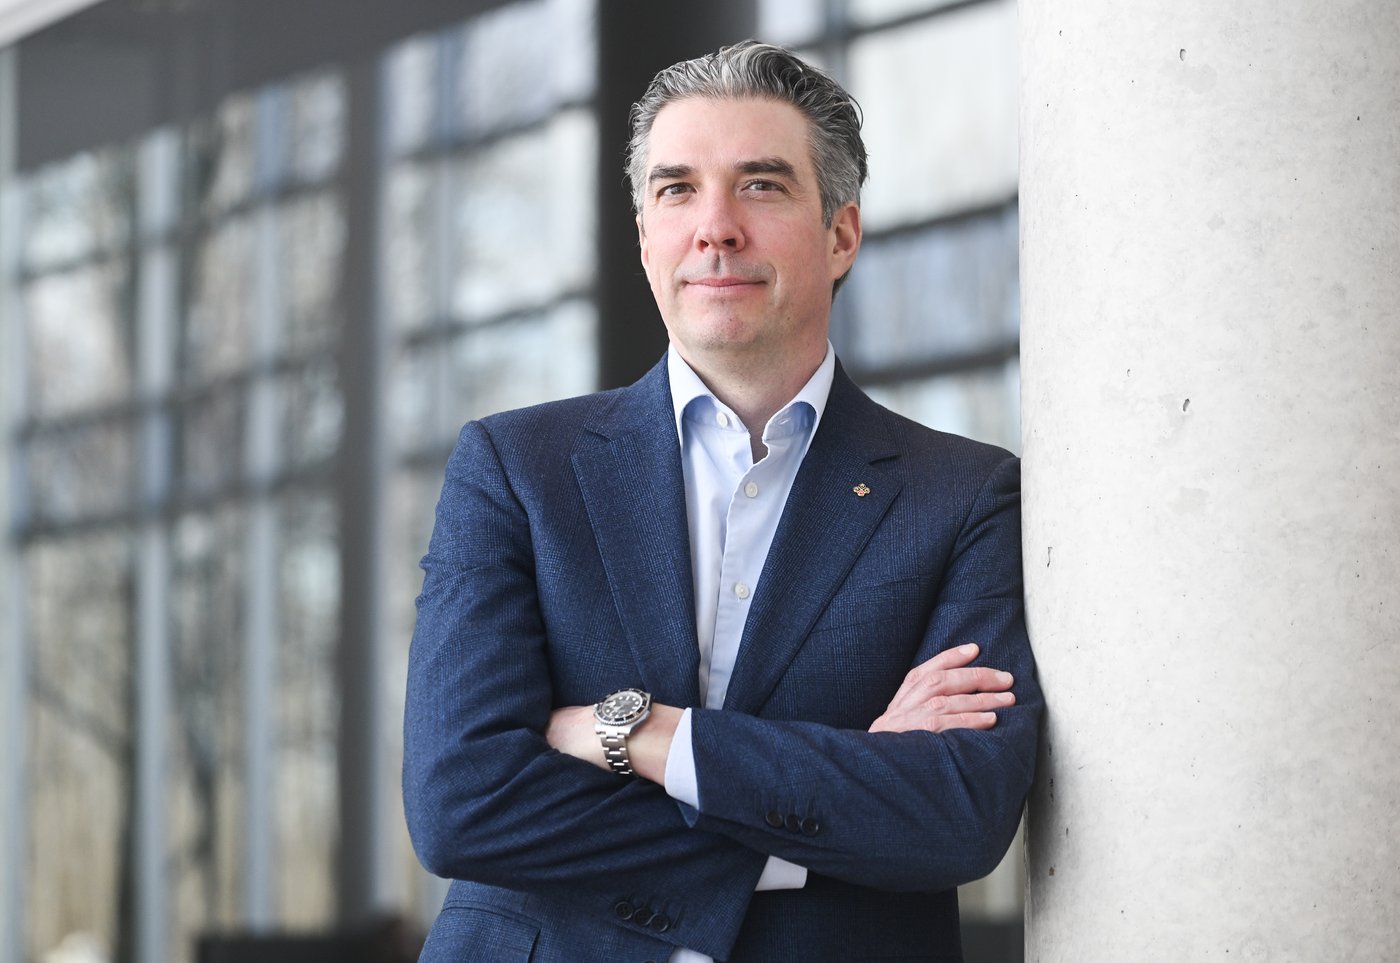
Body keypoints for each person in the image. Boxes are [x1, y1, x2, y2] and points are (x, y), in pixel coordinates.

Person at [403, 40, 1042, 963]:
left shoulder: (965, 495)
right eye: (676, 189)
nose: (715, 227)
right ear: (642, 237)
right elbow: (461, 802)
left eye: (761, 185)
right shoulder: (513, 468)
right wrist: (838, 795)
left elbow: (956, 815)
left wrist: (639, 733)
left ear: (842, 234)